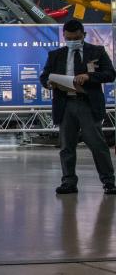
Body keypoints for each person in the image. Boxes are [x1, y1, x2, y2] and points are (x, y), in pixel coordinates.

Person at [40, 19, 116, 195]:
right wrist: (49, 83)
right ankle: (68, 182)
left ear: (84, 35)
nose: (72, 40)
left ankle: (109, 182)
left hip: (88, 105)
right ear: (64, 36)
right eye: (69, 38)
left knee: (97, 144)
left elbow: (110, 74)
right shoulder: (56, 55)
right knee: (66, 146)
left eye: (76, 37)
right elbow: (44, 77)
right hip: (65, 105)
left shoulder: (97, 51)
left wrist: (90, 76)